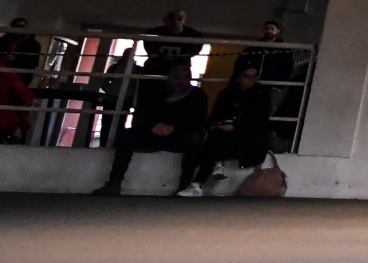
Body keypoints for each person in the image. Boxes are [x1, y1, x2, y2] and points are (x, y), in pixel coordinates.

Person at [92, 64, 209, 196]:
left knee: (194, 139)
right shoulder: (154, 93)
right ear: (169, 78)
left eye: (185, 78)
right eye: (177, 77)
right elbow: (140, 114)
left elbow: (198, 121)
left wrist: (174, 129)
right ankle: (115, 182)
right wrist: (151, 127)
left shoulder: (198, 95)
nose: (180, 81)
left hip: (180, 137)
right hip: (152, 135)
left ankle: (185, 184)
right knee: (126, 135)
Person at [204, 64, 274, 182]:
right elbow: (214, 116)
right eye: (247, 75)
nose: (250, 79)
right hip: (225, 134)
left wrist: (235, 127)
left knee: (214, 142)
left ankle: (201, 180)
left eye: (254, 76)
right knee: (216, 136)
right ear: (239, 77)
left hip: (249, 138)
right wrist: (214, 124)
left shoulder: (261, 97)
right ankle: (204, 178)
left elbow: (259, 123)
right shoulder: (226, 95)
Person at [0, 18, 43, 83]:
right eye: (16, 26)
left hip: (20, 78)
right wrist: (1, 59)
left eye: (22, 26)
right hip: (0, 75)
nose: (18, 29)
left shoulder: (33, 44)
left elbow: (34, 63)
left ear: (26, 28)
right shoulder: (2, 40)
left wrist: (14, 61)